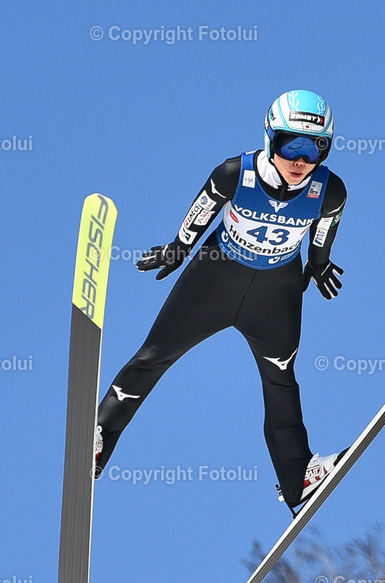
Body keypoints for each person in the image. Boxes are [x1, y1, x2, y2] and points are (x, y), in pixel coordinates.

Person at [92, 89, 347, 511]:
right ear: (270, 138)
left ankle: (298, 476)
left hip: (276, 290)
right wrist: (178, 249)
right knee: (154, 356)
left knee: (281, 380)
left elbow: (324, 230)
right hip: (214, 278)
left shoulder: (330, 189)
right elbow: (202, 210)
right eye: (291, 145)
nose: (301, 160)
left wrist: (319, 263)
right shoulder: (235, 173)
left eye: (315, 148)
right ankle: (97, 438)